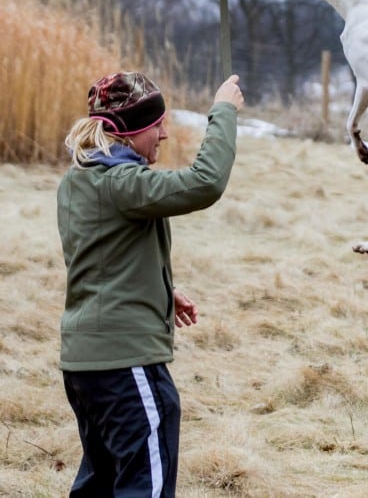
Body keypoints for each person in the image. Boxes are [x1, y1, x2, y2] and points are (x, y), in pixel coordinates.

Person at [56, 71, 244, 497]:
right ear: (130, 130)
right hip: (126, 365)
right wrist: (224, 112)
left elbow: (100, 260)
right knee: (147, 486)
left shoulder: (77, 181)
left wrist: (160, 289)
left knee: (100, 485)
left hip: (84, 367)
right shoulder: (122, 183)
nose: (164, 133)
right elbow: (205, 183)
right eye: (156, 124)